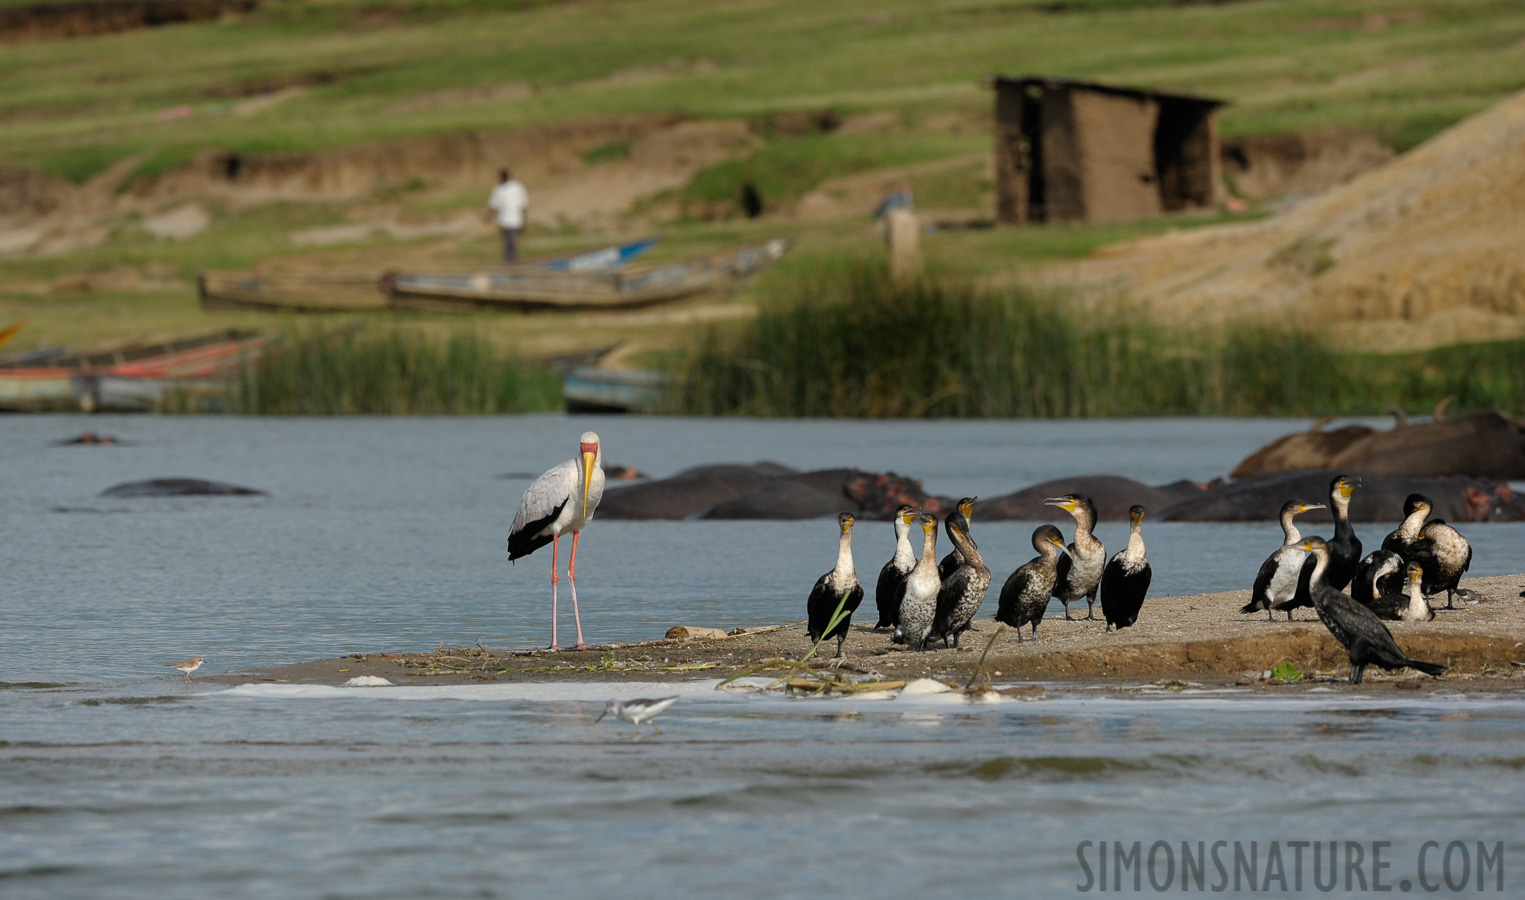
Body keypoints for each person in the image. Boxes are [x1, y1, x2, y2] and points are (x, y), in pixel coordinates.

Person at [486, 169, 528, 263]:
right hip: (504, 220)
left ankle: (512, 261)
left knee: (512, 241)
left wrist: (524, 221)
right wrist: (489, 216)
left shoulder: (517, 187)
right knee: (507, 242)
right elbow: (494, 204)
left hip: (515, 219)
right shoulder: (498, 189)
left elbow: (523, 204)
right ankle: (509, 262)